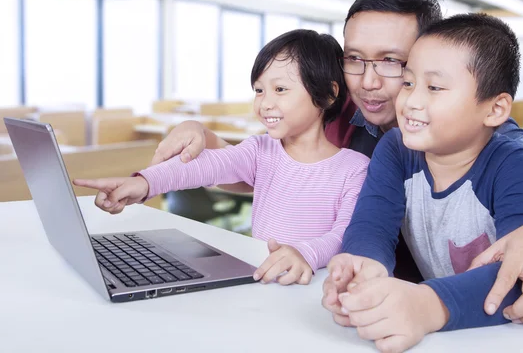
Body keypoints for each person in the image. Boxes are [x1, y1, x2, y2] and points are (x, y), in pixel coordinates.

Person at [151, 0, 523, 324]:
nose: (369, 81)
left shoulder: (483, 139)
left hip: (460, 311)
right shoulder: (342, 110)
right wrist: (206, 141)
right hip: (377, 300)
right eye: (355, 58)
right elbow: (272, 172)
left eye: (392, 62)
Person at [327, 13, 523, 352]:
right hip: (468, 330)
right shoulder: (395, 149)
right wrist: (363, 264)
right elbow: (372, 223)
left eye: (434, 87)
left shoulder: (513, 163)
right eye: (409, 83)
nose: (411, 100)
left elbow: (516, 277)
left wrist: (426, 304)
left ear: (495, 109)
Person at [73, 30, 370, 286]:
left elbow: (345, 234)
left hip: (314, 290)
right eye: (258, 90)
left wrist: (305, 253)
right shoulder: (259, 150)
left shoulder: (355, 169)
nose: (265, 103)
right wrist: (144, 183)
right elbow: (207, 166)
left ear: (328, 94)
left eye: (280, 89)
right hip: (262, 282)